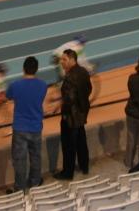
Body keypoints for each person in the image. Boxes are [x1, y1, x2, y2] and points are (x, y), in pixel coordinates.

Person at [5, 57, 47, 193]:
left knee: (19, 159)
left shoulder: (15, 85)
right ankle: (35, 182)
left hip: (20, 128)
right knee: (35, 156)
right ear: (36, 69)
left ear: (23, 69)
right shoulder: (42, 85)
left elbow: (8, 96)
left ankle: (20, 186)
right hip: (36, 127)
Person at [54, 48, 91, 180]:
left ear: (72, 59)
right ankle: (84, 166)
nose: (62, 62)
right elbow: (89, 89)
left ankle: (67, 172)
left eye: (64, 59)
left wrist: (62, 109)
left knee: (68, 146)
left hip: (70, 117)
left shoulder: (69, 78)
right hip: (81, 114)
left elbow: (69, 99)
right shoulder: (84, 72)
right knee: (81, 142)